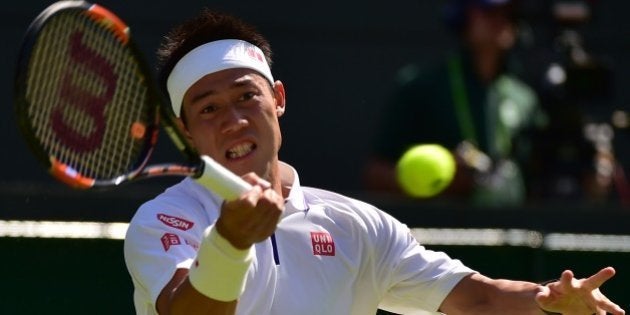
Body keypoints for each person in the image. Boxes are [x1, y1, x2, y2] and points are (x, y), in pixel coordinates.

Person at [123, 8, 625, 315]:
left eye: (246, 97)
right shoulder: (163, 222)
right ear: (186, 130)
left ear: (278, 98)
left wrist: (545, 299)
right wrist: (229, 245)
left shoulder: (357, 226)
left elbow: (473, 296)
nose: (232, 120)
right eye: (208, 108)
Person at [364, 0, 547, 206]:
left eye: (509, 13)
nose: (501, 20)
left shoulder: (524, 97)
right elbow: (377, 175)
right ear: (462, 16)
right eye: (490, 11)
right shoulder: (420, 86)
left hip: (514, 232)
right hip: (445, 232)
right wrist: (443, 181)